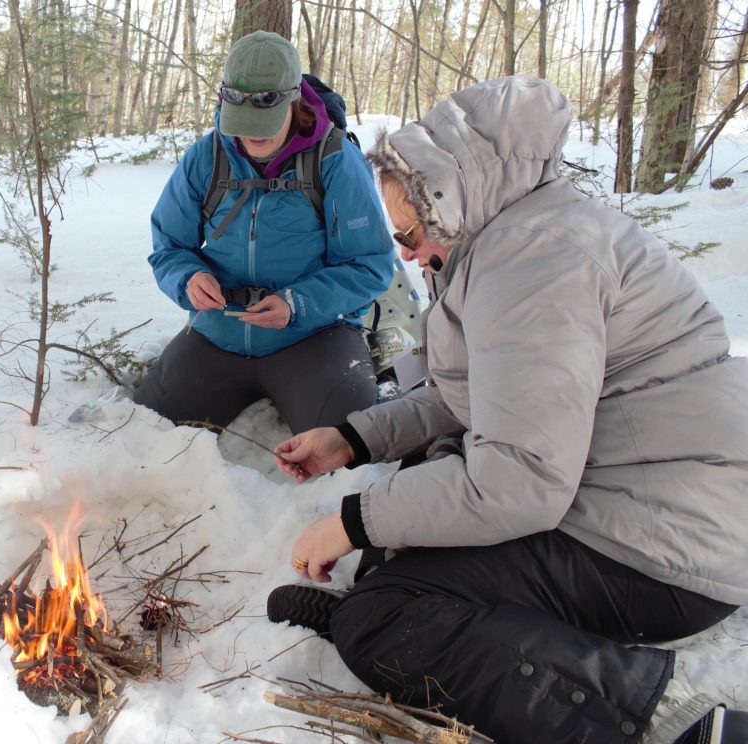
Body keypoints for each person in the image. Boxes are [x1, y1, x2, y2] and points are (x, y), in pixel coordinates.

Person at [267, 76, 748, 744]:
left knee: (386, 611)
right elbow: (479, 391)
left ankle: (660, 719)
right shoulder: (507, 236)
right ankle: (426, 626)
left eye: (408, 231)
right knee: (406, 543)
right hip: (620, 492)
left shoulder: (536, 262)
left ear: (451, 201)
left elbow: (518, 482)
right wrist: (353, 439)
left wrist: (352, 521)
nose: (405, 253)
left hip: (662, 546)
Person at [133, 31, 395, 435]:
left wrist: (299, 304)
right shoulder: (207, 156)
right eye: (243, 123)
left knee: (345, 445)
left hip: (314, 336)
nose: (252, 135)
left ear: (293, 100)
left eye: (265, 123)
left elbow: (370, 264)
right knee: (149, 434)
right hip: (217, 335)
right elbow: (169, 245)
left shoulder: (336, 160)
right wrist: (188, 278)